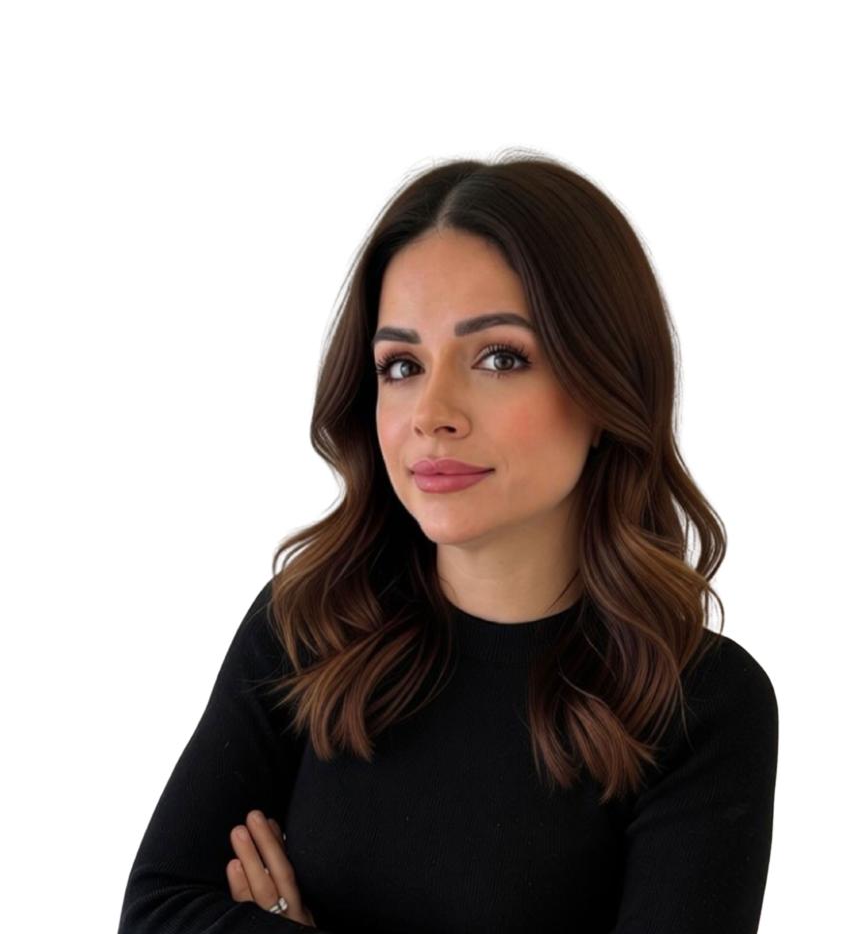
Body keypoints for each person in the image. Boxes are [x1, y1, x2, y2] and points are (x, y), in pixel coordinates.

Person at [117, 153, 779, 933]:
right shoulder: (309, 626)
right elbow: (155, 912)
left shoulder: (701, 707)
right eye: (401, 365)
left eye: (500, 357)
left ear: (607, 388)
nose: (432, 412)